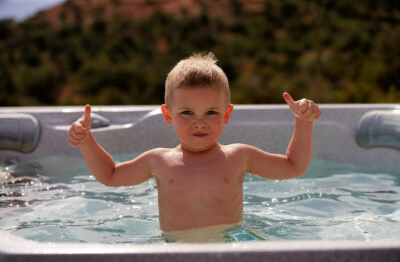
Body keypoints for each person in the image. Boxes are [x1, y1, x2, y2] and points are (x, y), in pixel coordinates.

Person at [68, 53, 321, 240]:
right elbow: (110, 175)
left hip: (228, 247)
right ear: (167, 115)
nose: (199, 123)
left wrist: (304, 121)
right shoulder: (159, 161)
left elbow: (293, 166)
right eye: (187, 112)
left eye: (211, 112)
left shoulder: (239, 157)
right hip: (175, 252)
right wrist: (86, 140)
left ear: (226, 114)